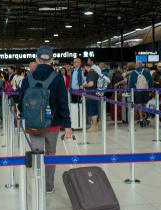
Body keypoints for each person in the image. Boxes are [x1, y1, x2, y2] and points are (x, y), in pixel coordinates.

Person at [17, 45, 72, 192]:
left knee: (36, 154)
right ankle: (48, 186)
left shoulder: (28, 79)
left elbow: (21, 103)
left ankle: (37, 185)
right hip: (52, 124)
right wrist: (67, 125)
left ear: (36, 59)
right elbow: (63, 104)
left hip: (33, 124)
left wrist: (23, 113)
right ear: (52, 60)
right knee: (50, 154)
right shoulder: (58, 78)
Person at [82, 63, 100, 132]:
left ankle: (94, 126)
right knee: (94, 109)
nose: (83, 71)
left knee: (93, 110)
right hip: (93, 94)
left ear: (85, 67)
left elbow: (91, 84)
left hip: (92, 94)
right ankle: (95, 125)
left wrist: (83, 86)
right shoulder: (94, 72)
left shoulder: (91, 73)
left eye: (83, 69)